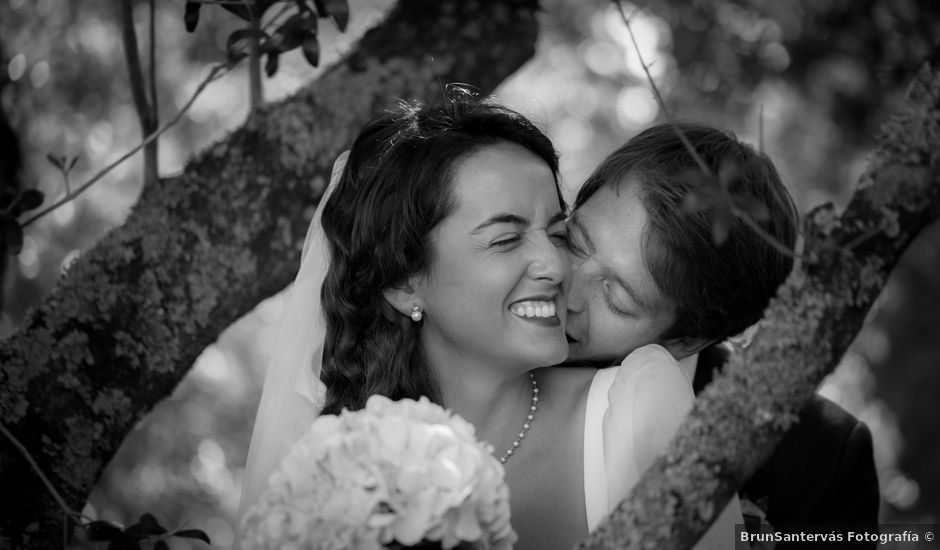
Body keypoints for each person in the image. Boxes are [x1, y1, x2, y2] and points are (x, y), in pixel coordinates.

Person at [239, 95, 740, 550]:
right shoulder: (338, 466)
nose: (558, 265)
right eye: (506, 240)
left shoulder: (636, 410)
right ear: (405, 283)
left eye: (558, 233)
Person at [562, 121, 879, 541]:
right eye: (573, 241)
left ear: (685, 340)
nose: (565, 291)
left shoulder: (821, 457)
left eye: (617, 299)